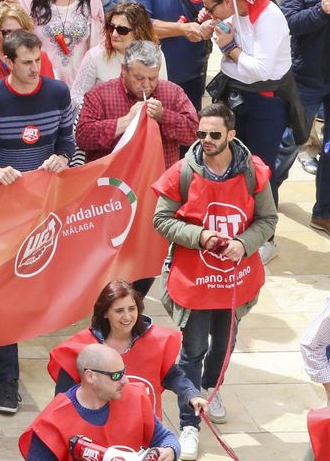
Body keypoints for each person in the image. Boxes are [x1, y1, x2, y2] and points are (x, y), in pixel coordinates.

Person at [152, 101, 276, 459]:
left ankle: (212, 388)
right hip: (195, 280)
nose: (206, 139)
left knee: (224, 344)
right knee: (192, 351)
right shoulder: (182, 172)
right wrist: (201, 236)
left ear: (231, 135)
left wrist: (243, 243)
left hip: (235, 280)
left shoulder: (254, 172)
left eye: (214, 134)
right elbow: (161, 220)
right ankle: (189, 424)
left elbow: (267, 220)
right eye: (201, 133)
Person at [0, 29, 75, 414]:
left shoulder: (57, 93)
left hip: (45, 210)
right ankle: (8, 380)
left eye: (37, 60)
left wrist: (63, 159)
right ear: (8, 62)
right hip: (2, 212)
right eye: (26, 62)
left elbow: (68, 142)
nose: (34, 68)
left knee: (38, 289)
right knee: (4, 292)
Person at [49, 280, 205, 420]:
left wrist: (191, 395)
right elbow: (63, 403)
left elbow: (172, 375)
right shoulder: (81, 348)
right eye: (119, 311)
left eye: (132, 309)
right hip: (98, 437)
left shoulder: (155, 342)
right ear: (105, 313)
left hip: (145, 433)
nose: (127, 316)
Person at [203, 0, 293, 197]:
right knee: (235, 166)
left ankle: (265, 229)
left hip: (266, 103)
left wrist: (230, 49)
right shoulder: (234, 15)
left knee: (260, 172)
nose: (211, 16)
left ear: (226, 1)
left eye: (211, 9)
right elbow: (229, 67)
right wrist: (236, 56)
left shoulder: (267, 16)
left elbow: (260, 71)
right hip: (238, 98)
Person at [19, 342, 179, 461]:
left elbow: (165, 438)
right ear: (90, 376)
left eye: (124, 372)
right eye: (116, 376)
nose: (125, 380)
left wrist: (170, 451)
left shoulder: (134, 397)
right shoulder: (52, 424)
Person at [124, 0, 214, 112]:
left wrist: (211, 20)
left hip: (193, 76)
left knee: (186, 132)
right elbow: (138, 27)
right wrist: (183, 29)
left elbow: (223, 15)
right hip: (150, 81)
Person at [280, 0, 330, 231]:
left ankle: (323, 211)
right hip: (307, 75)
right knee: (290, 142)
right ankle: (263, 204)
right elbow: (289, 23)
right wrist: (321, 10)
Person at [78, 40, 199, 166]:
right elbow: (83, 137)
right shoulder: (99, 94)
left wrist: (163, 116)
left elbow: (193, 133)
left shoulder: (173, 92)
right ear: (124, 70)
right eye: (139, 78)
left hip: (158, 180)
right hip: (113, 181)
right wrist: (126, 121)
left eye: (152, 78)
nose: (146, 85)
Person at [71, 0, 164, 112]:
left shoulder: (156, 55)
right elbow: (76, 97)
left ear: (139, 31)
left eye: (122, 30)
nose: (114, 34)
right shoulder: (95, 56)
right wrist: (102, 111)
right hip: (104, 123)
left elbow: (163, 95)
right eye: (111, 27)